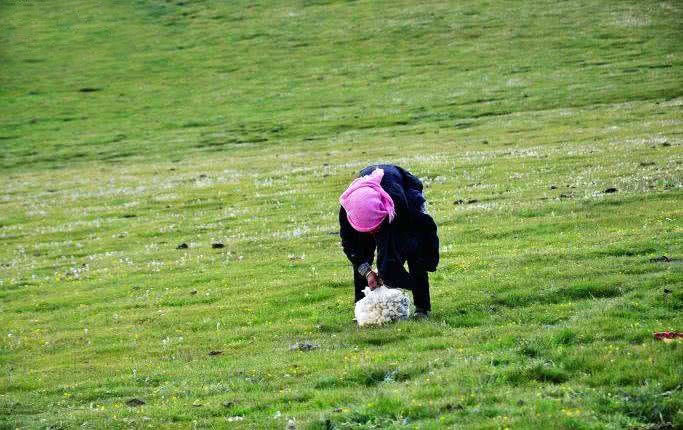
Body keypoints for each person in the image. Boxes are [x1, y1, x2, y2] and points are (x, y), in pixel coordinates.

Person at [338, 164, 439, 318]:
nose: (373, 233)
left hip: (401, 195)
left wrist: (388, 272)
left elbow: (405, 241)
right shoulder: (348, 211)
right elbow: (350, 246)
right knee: (361, 250)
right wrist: (367, 271)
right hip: (368, 210)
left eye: (376, 229)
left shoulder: (398, 204)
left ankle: (421, 307)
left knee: (413, 250)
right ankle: (363, 308)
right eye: (370, 230)